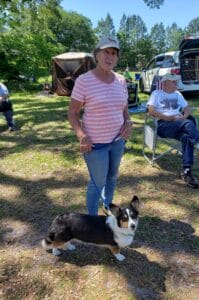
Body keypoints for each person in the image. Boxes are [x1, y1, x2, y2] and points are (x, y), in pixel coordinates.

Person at [68, 36, 132, 215]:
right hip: (95, 143)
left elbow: (124, 106)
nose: (110, 57)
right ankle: (92, 221)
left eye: (114, 53)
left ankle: (108, 206)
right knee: (97, 182)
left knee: (112, 176)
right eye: (106, 52)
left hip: (118, 140)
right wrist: (81, 135)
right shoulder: (84, 80)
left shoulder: (121, 80)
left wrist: (128, 121)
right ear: (96, 54)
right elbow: (72, 113)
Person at [147, 73, 199, 189]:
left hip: (179, 123)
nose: (176, 83)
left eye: (176, 81)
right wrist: (169, 118)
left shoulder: (178, 94)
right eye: (173, 82)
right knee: (189, 123)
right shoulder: (156, 93)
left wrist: (184, 116)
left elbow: (187, 108)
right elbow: (151, 111)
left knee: (186, 136)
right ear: (165, 83)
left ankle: (187, 172)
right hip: (163, 125)